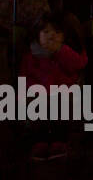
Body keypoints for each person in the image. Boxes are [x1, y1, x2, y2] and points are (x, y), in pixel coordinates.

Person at [19, 12, 88, 161]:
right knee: (36, 114)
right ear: (37, 35)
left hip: (62, 94)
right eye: (46, 32)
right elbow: (23, 76)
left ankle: (59, 140)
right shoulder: (30, 56)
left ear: (64, 36)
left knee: (63, 111)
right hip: (38, 96)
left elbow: (79, 64)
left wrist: (61, 51)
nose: (52, 36)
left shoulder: (65, 53)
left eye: (57, 32)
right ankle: (39, 141)